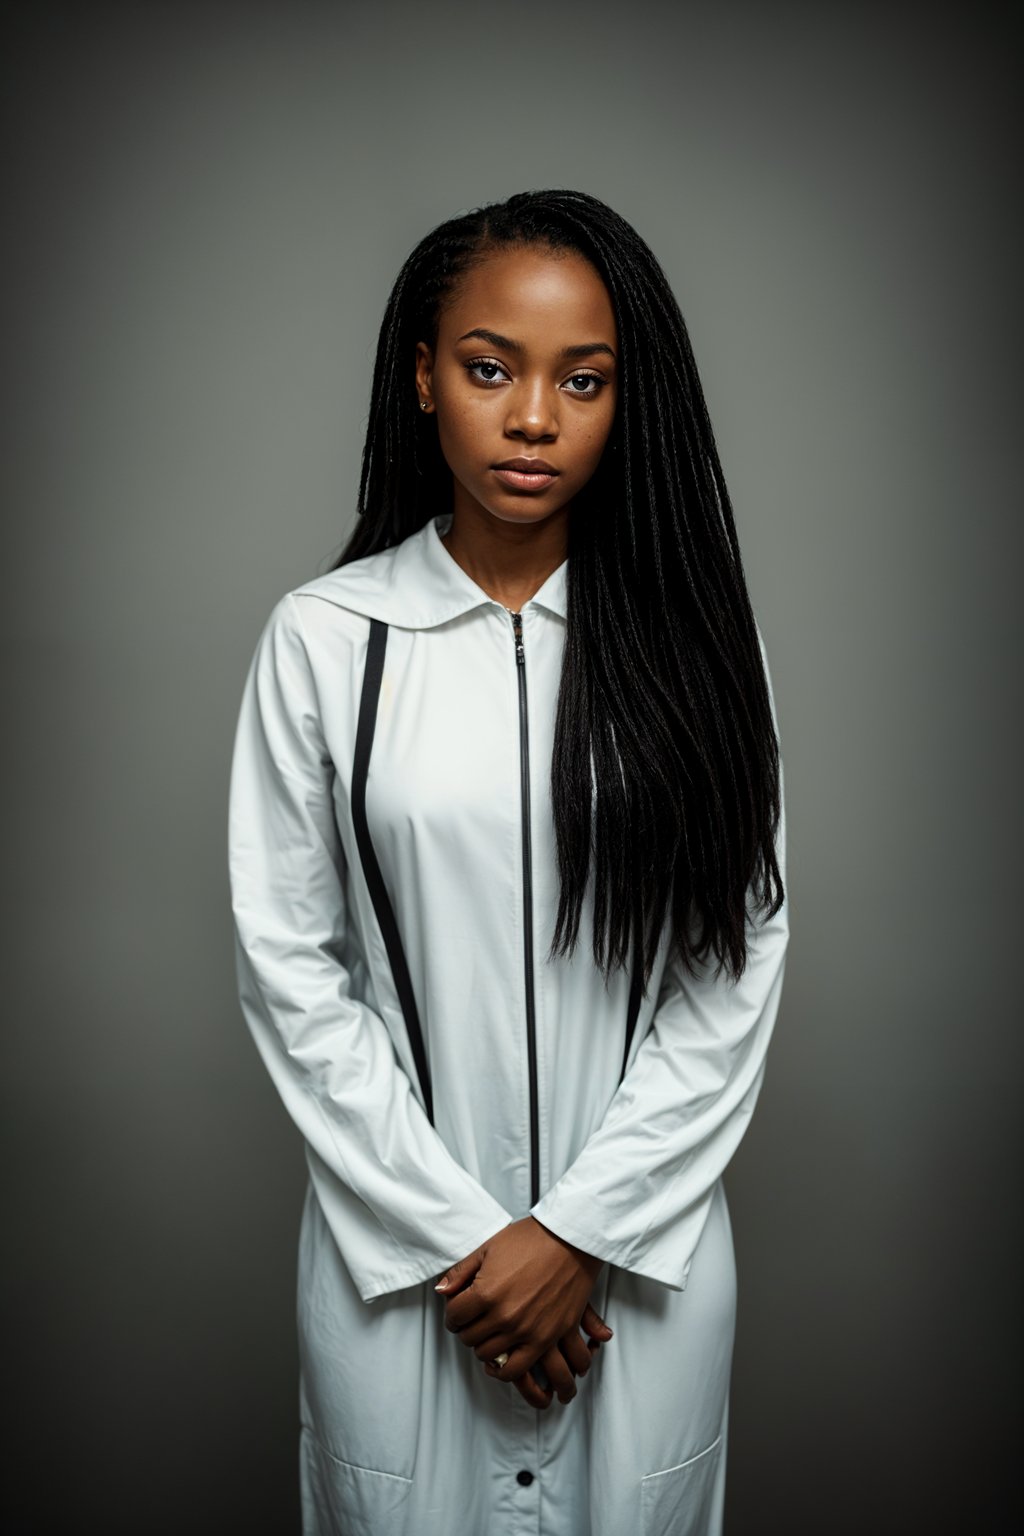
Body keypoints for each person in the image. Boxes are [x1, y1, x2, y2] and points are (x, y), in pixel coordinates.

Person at [227, 188, 788, 1536]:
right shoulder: (325, 640)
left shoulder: (697, 654)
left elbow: (732, 968)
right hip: (408, 1278)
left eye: (581, 381)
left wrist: (581, 1236)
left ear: (623, 399)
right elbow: (292, 976)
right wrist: (471, 1247)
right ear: (425, 379)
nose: (533, 417)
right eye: (490, 369)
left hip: (636, 1283)